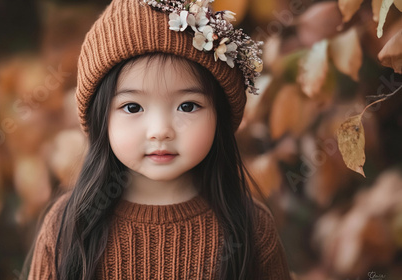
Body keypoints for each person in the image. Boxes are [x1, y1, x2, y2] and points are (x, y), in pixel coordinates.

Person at [24, 0, 291, 279]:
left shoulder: (250, 229)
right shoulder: (69, 229)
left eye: (187, 106)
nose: (160, 130)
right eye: (132, 107)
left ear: (219, 116)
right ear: (101, 118)